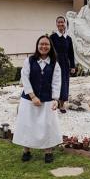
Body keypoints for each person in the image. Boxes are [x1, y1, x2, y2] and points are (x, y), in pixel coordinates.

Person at [13, 35, 62, 163]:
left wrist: (56, 99)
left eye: (46, 44)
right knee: (28, 125)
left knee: (47, 125)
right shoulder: (29, 60)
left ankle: (48, 152)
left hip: (47, 99)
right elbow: (25, 78)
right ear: (37, 45)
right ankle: (26, 151)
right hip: (29, 100)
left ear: (50, 47)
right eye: (41, 44)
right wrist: (33, 96)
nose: (43, 46)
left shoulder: (55, 63)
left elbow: (57, 83)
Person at [50, 16, 76, 113]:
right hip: (55, 62)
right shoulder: (52, 37)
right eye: (59, 22)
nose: (61, 24)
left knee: (64, 83)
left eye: (62, 22)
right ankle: (53, 102)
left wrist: (72, 66)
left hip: (65, 63)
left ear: (65, 24)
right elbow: (49, 51)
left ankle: (61, 104)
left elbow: (71, 53)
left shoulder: (68, 39)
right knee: (54, 82)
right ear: (56, 24)